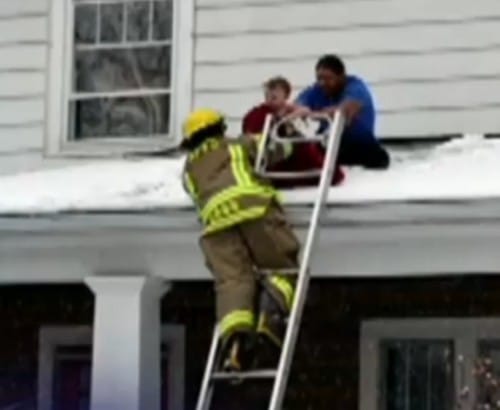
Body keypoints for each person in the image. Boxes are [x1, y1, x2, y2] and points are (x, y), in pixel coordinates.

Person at [180, 108, 301, 372]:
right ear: (219, 129)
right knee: (283, 267)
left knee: (233, 282)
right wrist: (291, 135)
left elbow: (195, 193)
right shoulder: (237, 145)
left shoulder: (188, 170)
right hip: (254, 211)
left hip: (215, 229)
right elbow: (277, 149)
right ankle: (270, 318)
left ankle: (235, 344)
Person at [243, 76, 345, 188]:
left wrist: (291, 116)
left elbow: (305, 110)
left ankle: (322, 171)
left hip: (290, 142)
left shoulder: (287, 107)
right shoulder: (265, 112)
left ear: (285, 97)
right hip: (276, 145)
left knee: (311, 150)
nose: (269, 101)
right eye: (267, 96)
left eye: (274, 97)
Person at [295, 54, 390, 169]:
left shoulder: (356, 88)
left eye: (328, 78)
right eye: (319, 78)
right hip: (329, 145)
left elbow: (344, 110)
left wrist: (312, 114)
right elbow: (297, 104)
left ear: (342, 76)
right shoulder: (318, 89)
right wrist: (299, 109)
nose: (323, 83)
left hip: (359, 145)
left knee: (378, 157)